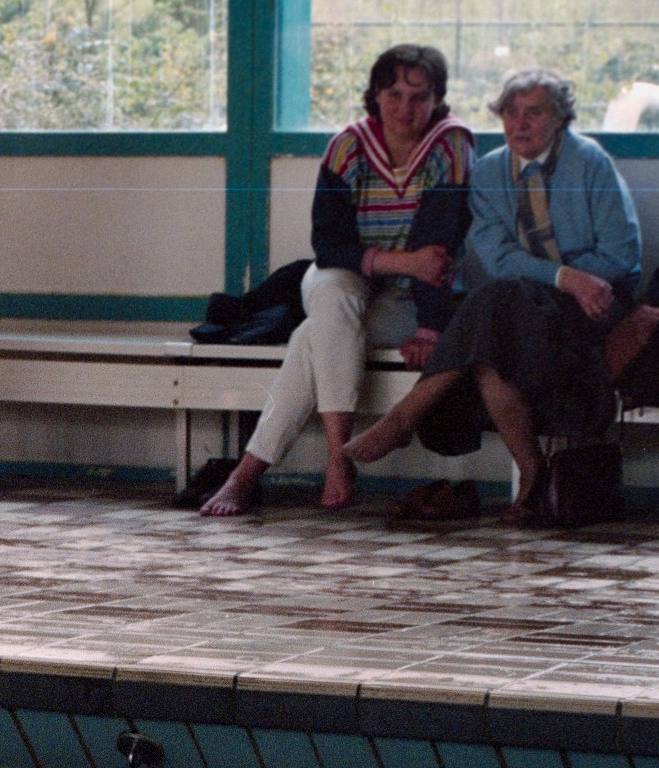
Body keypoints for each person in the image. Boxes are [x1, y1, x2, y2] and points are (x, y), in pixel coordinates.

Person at [346, 68, 642, 522]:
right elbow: (498, 258)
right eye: (511, 112)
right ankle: (531, 475)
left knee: (493, 310)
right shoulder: (488, 172)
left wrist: (573, 284)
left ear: (559, 118)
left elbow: (621, 255)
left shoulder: (590, 163)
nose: (520, 123)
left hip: (593, 304)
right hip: (524, 304)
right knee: (497, 313)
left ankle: (406, 418)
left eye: (534, 113)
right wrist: (563, 276)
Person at [200, 46, 472, 517]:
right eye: (394, 94)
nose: (405, 107)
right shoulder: (347, 145)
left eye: (419, 96)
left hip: (413, 301)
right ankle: (338, 457)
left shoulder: (451, 145)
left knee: (313, 335)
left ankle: (246, 476)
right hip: (347, 279)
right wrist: (402, 262)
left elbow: (438, 254)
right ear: (375, 95)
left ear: (437, 99)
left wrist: (430, 328)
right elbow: (329, 245)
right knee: (331, 292)